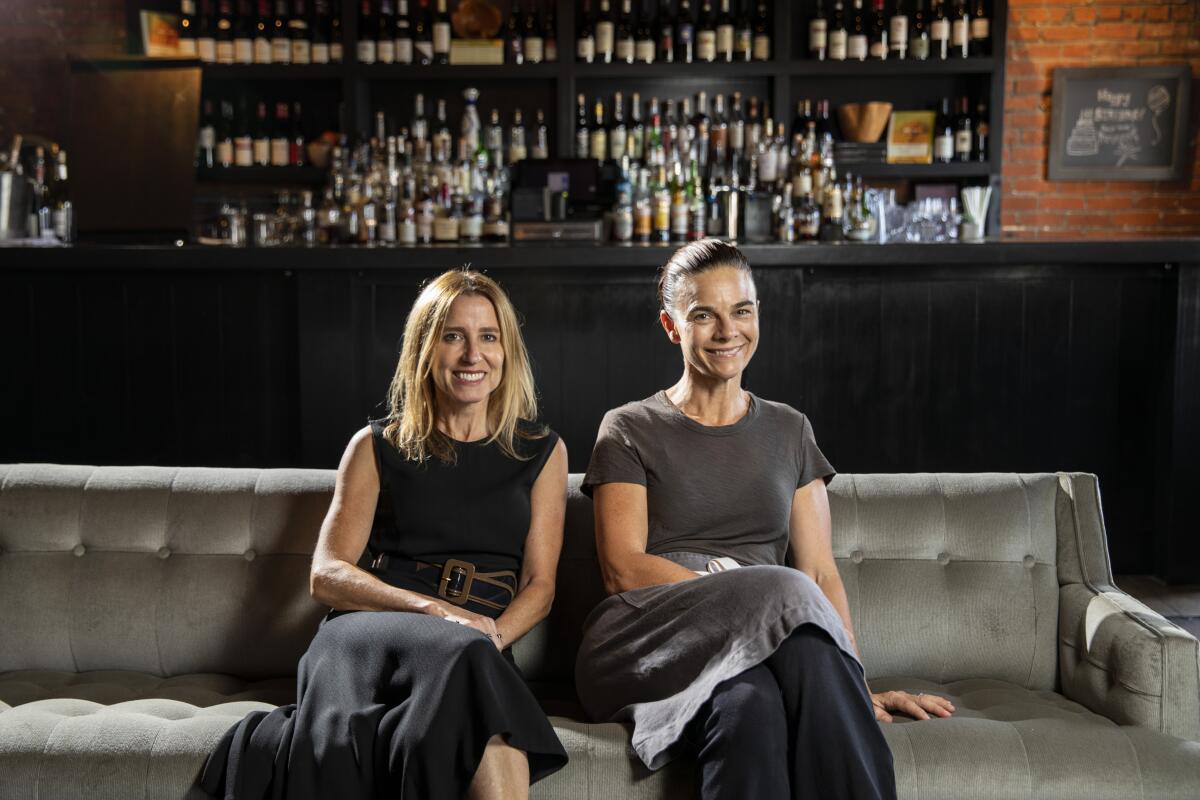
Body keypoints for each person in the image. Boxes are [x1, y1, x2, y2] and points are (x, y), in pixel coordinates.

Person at [576, 240, 955, 800]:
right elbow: (623, 569)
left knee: (749, 707)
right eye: (703, 314)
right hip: (650, 638)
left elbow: (821, 573)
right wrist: (750, 593)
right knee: (782, 586)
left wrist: (848, 683)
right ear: (671, 326)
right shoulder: (629, 427)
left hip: (768, 640)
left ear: (758, 315)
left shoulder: (790, 430)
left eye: (742, 310)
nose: (728, 330)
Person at [202, 269, 569, 800]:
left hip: (476, 647)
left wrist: (489, 638)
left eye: (488, 337)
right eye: (453, 336)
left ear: (507, 350)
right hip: (370, 638)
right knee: (481, 695)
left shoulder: (542, 451)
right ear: (425, 349)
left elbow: (540, 585)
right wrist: (432, 613)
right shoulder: (375, 447)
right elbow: (326, 575)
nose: (473, 355)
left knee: (495, 737)